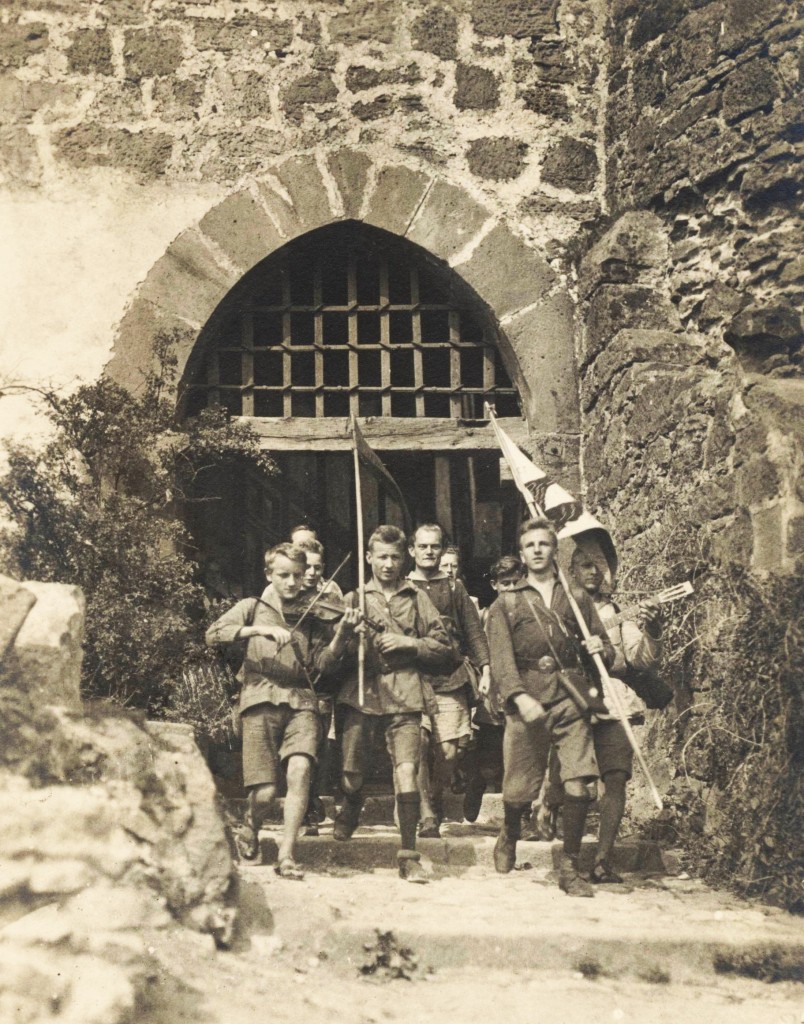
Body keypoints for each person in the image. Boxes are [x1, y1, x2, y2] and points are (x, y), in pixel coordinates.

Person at [206, 542, 360, 879]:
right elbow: (214, 633)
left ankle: (287, 855)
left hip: (302, 699)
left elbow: (322, 664)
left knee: (301, 770)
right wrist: (259, 629)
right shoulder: (252, 606)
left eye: (298, 576)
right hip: (259, 696)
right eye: (283, 575)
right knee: (264, 794)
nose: (291, 583)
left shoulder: (316, 615)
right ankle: (250, 823)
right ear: (269, 575)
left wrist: (342, 635)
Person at [485, 518, 615, 897]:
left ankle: (570, 868)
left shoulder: (575, 597)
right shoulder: (505, 603)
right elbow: (502, 661)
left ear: (554, 549)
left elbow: (603, 648)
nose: (538, 550)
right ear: (522, 553)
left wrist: (599, 649)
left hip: (572, 697)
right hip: (527, 700)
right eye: (530, 545)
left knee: (579, 785)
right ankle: (509, 831)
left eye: (544, 543)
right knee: (517, 791)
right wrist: (519, 696)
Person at [333, 525, 454, 883]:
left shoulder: (417, 598)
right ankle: (352, 804)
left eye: (395, 557)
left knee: (406, 769)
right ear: (369, 557)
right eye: (381, 556)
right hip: (363, 694)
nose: (388, 564)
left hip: (405, 692)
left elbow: (444, 646)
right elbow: (333, 654)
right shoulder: (354, 598)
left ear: (405, 560)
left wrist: (409, 644)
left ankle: (408, 854)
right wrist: (349, 635)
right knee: (352, 774)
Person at [538, 545, 663, 884]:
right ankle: (555, 821)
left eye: (599, 566)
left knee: (616, 777)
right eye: (584, 565)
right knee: (568, 780)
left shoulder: (619, 612)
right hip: (571, 700)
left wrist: (652, 630)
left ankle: (603, 860)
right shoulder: (558, 608)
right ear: (572, 570)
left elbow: (640, 659)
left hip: (612, 702)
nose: (593, 572)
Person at [406, 526, 491, 838]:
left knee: (450, 752)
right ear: (412, 551)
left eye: (435, 546)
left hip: (450, 676)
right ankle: (427, 811)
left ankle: (436, 794)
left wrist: (485, 668)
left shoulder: (455, 589)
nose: (429, 552)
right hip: (414, 677)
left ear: (441, 550)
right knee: (419, 741)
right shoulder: (404, 588)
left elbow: (473, 632)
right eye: (423, 546)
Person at [462, 555, 524, 823]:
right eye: (504, 583)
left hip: (521, 691)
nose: (510, 588)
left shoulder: (530, 611)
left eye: (514, 583)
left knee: (522, 756)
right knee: (490, 757)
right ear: (495, 585)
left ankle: (524, 814)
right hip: (494, 693)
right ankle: (477, 782)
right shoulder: (487, 614)